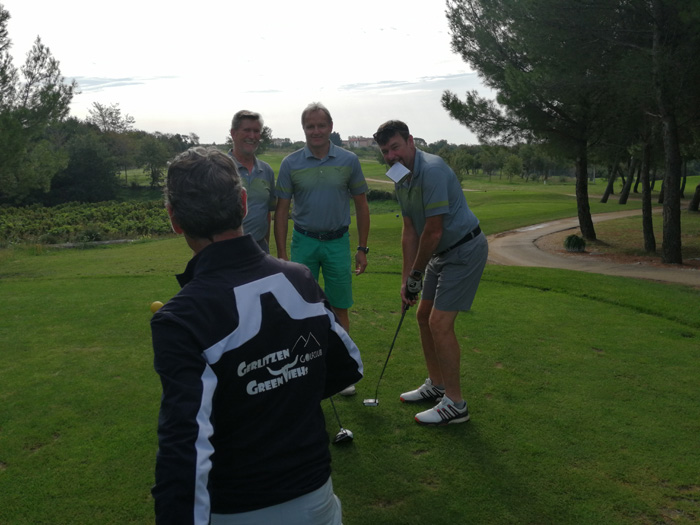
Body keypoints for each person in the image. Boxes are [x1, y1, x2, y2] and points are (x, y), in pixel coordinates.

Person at [151, 147, 363, 524]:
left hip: (236, 508)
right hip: (316, 500)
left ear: (174, 219)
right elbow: (347, 367)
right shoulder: (300, 279)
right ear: (244, 203)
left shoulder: (181, 318)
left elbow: (184, 448)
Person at [373, 120, 488, 426]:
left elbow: (434, 231)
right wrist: (406, 280)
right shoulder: (399, 174)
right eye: (385, 151)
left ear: (410, 141)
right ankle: (437, 385)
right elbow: (410, 229)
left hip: (464, 249)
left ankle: (455, 403)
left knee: (439, 322)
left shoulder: (433, 170)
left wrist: (416, 274)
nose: (391, 156)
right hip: (440, 252)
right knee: (423, 315)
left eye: (395, 147)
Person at [274, 104, 370, 332]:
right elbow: (281, 211)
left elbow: (362, 205)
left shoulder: (349, 160)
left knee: (340, 307)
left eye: (321, 126)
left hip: (338, 243)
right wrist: (281, 254)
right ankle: (309, 353)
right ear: (303, 128)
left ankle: (341, 353)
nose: (316, 131)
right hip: (303, 241)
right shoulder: (290, 163)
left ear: (330, 127)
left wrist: (362, 248)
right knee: (302, 306)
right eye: (310, 126)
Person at [228, 110, 276, 253]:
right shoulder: (219, 169)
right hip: (227, 250)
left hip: (259, 247)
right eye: (247, 130)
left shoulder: (266, 171)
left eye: (256, 131)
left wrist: (265, 251)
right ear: (233, 133)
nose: (252, 136)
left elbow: (266, 213)